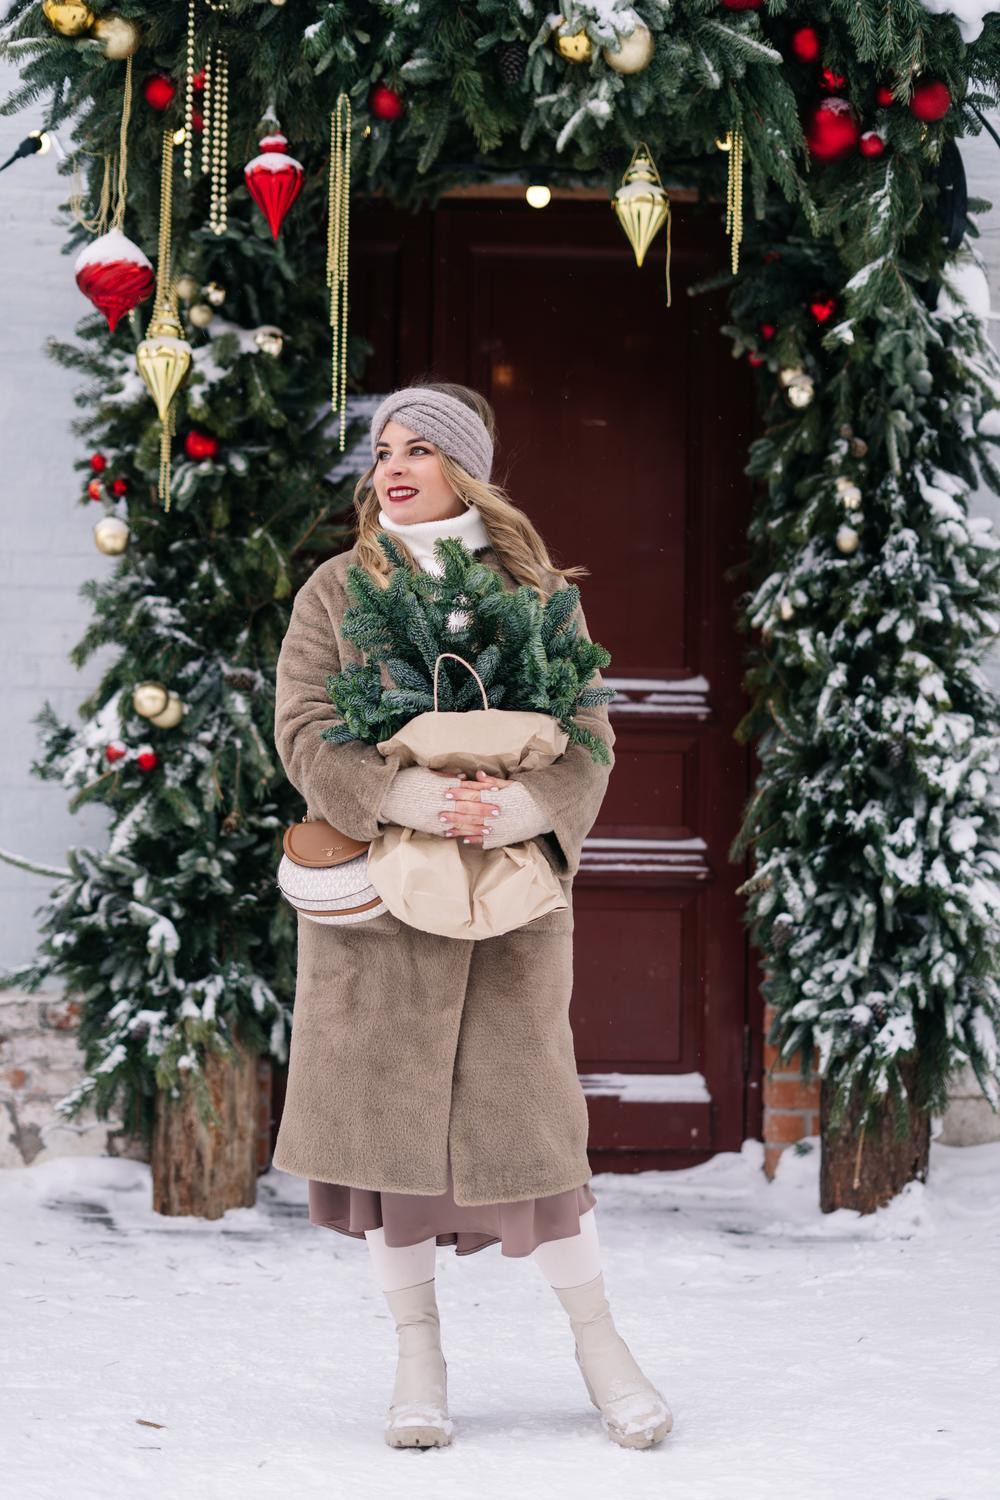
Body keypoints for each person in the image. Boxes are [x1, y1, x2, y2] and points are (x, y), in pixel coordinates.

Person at [272, 379, 671, 1451]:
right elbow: (303, 723)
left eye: (419, 449)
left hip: (509, 898)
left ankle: (602, 1347)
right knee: (383, 1134)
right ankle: (418, 1358)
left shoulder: (535, 589)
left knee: (533, 1129)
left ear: (465, 469)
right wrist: (395, 794)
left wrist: (528, 809)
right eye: (382, 450)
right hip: (376, 903)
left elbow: (588, 730)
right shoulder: (336, 588)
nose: (392, 466)